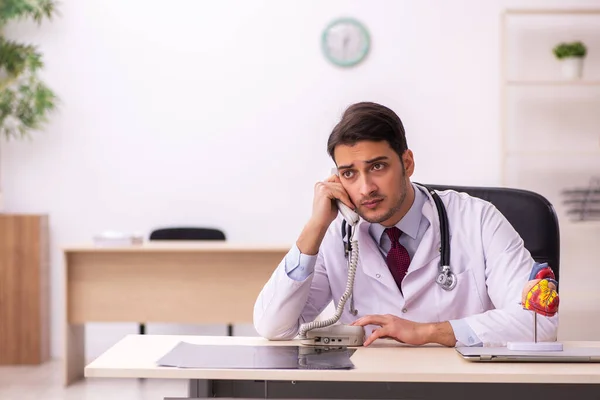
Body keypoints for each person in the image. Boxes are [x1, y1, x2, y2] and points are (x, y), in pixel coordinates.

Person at [253, 101, 559, 347]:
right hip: (367, 390)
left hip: (462, 390)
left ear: (407, 163)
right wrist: (315, 227)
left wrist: (429, 332)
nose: (365, 188)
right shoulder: (338, 234)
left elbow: (539, 323)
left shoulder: (478, 220)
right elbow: (273, 327)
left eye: (377, 167)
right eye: (349, 173)